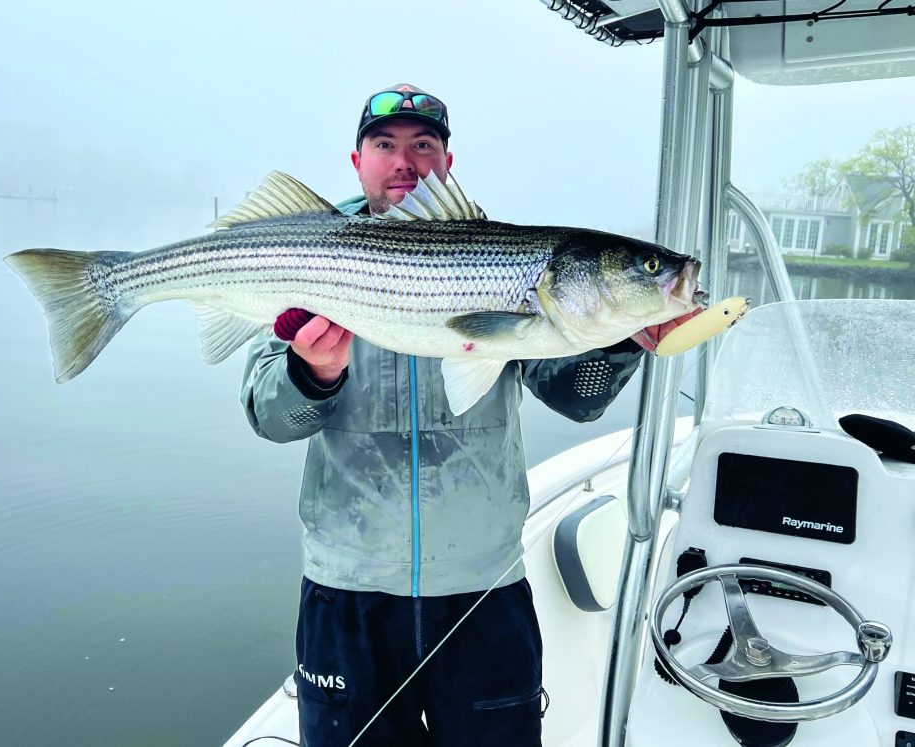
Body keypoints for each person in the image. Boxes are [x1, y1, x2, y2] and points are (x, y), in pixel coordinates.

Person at [240, 83, 697, 747]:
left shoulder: (505, 260)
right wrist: (312, 374)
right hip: (348, 591)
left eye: (424, 145)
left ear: (447, 163)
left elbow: (576, 397)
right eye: (386, 145)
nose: (405, 160)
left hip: (482, 589)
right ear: (357, 160)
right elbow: (266, 414)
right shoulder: (302, 251)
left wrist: (624, 339)